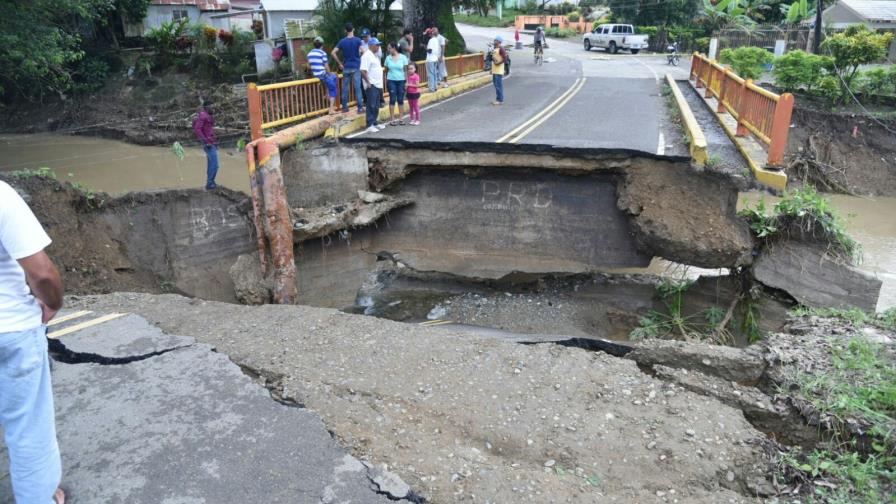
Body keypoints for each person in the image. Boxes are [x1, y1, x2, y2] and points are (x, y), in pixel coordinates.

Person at [0, 180, 66, 504]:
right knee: (28, 427)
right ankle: (39, 496)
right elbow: (41, 274)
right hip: (10, 328)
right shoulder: (2, 196)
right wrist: (53, 303)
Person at [331, 23, 365, 113]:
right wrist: (359, 59)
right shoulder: (358, 40)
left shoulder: (342, 41)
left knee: (345, 88)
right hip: (356, 67)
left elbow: (333, 52)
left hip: (346, 67)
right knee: (358, 88)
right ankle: (360, 108)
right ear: (353, 29)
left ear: (345, 31)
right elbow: (364, 52)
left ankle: (345, 108)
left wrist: (340, 63)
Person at [360, 37, 385, 133]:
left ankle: (375, 122)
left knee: (376, 105)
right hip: (372, 84)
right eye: (377, 45)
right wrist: (368, 82)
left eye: (379, 45)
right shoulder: (366, 55)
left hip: (378, 84)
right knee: (371, 104)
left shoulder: (374, 55)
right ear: (371, 45)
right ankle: (369, 124)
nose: (378, 46)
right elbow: (363, 70)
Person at [308, 37, 338, 114]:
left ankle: (327, 94)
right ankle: (331, 109)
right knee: (334, 87)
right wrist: (330, 73)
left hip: (315, 75)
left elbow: (310, 65)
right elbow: (326, 66)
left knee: (332, 79)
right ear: (322, 45)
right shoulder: (322, 53)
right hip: (323, 74)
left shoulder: (309, 54)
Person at [192, 100, 218, 189]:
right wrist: (206, 142)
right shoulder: (203, 115)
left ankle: (210, 182)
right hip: (208, 144)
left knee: (211, 163)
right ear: (206, 107)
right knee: (215, 164)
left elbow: (208, 129)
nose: (213, 108)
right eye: (211, 106)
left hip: (212, 142)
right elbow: (197, 129)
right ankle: (210, 183)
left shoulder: (208, 115)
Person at [384, 42, 409, 125]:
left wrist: (407, 81)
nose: (388, 50)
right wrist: (385, 80)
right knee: (392, 99)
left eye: (389, 48)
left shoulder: (403, 57)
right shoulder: (388, 58)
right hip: (391, 80)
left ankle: (401, 118)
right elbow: (386, 70)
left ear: (394, 48)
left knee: (400, 99)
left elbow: (406, 70)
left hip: (401, 80)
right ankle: (392, 119)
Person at [490, 36, 507, 105]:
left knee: (498, 85)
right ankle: (498, 99)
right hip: (495, 70)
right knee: (496, 85)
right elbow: (494, 59)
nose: (494, 41)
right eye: (494, 40)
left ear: (499, 42)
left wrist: (498, 63)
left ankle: (500, 100)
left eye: (496, 40)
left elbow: (505, 58)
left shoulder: (501, 49)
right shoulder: (495, 49)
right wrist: (492, 69)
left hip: (499, 71)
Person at [425, 27, 442, 92]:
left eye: (428, 34)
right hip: (435, 59)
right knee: (434, 73)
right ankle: (435, 87)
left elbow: (430, 50)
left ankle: (431, 88)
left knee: (431, 74)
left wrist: (424, 47)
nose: (427, 35)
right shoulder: (436, 40)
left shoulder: (431, 40)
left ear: (430, 34)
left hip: (430, 60)